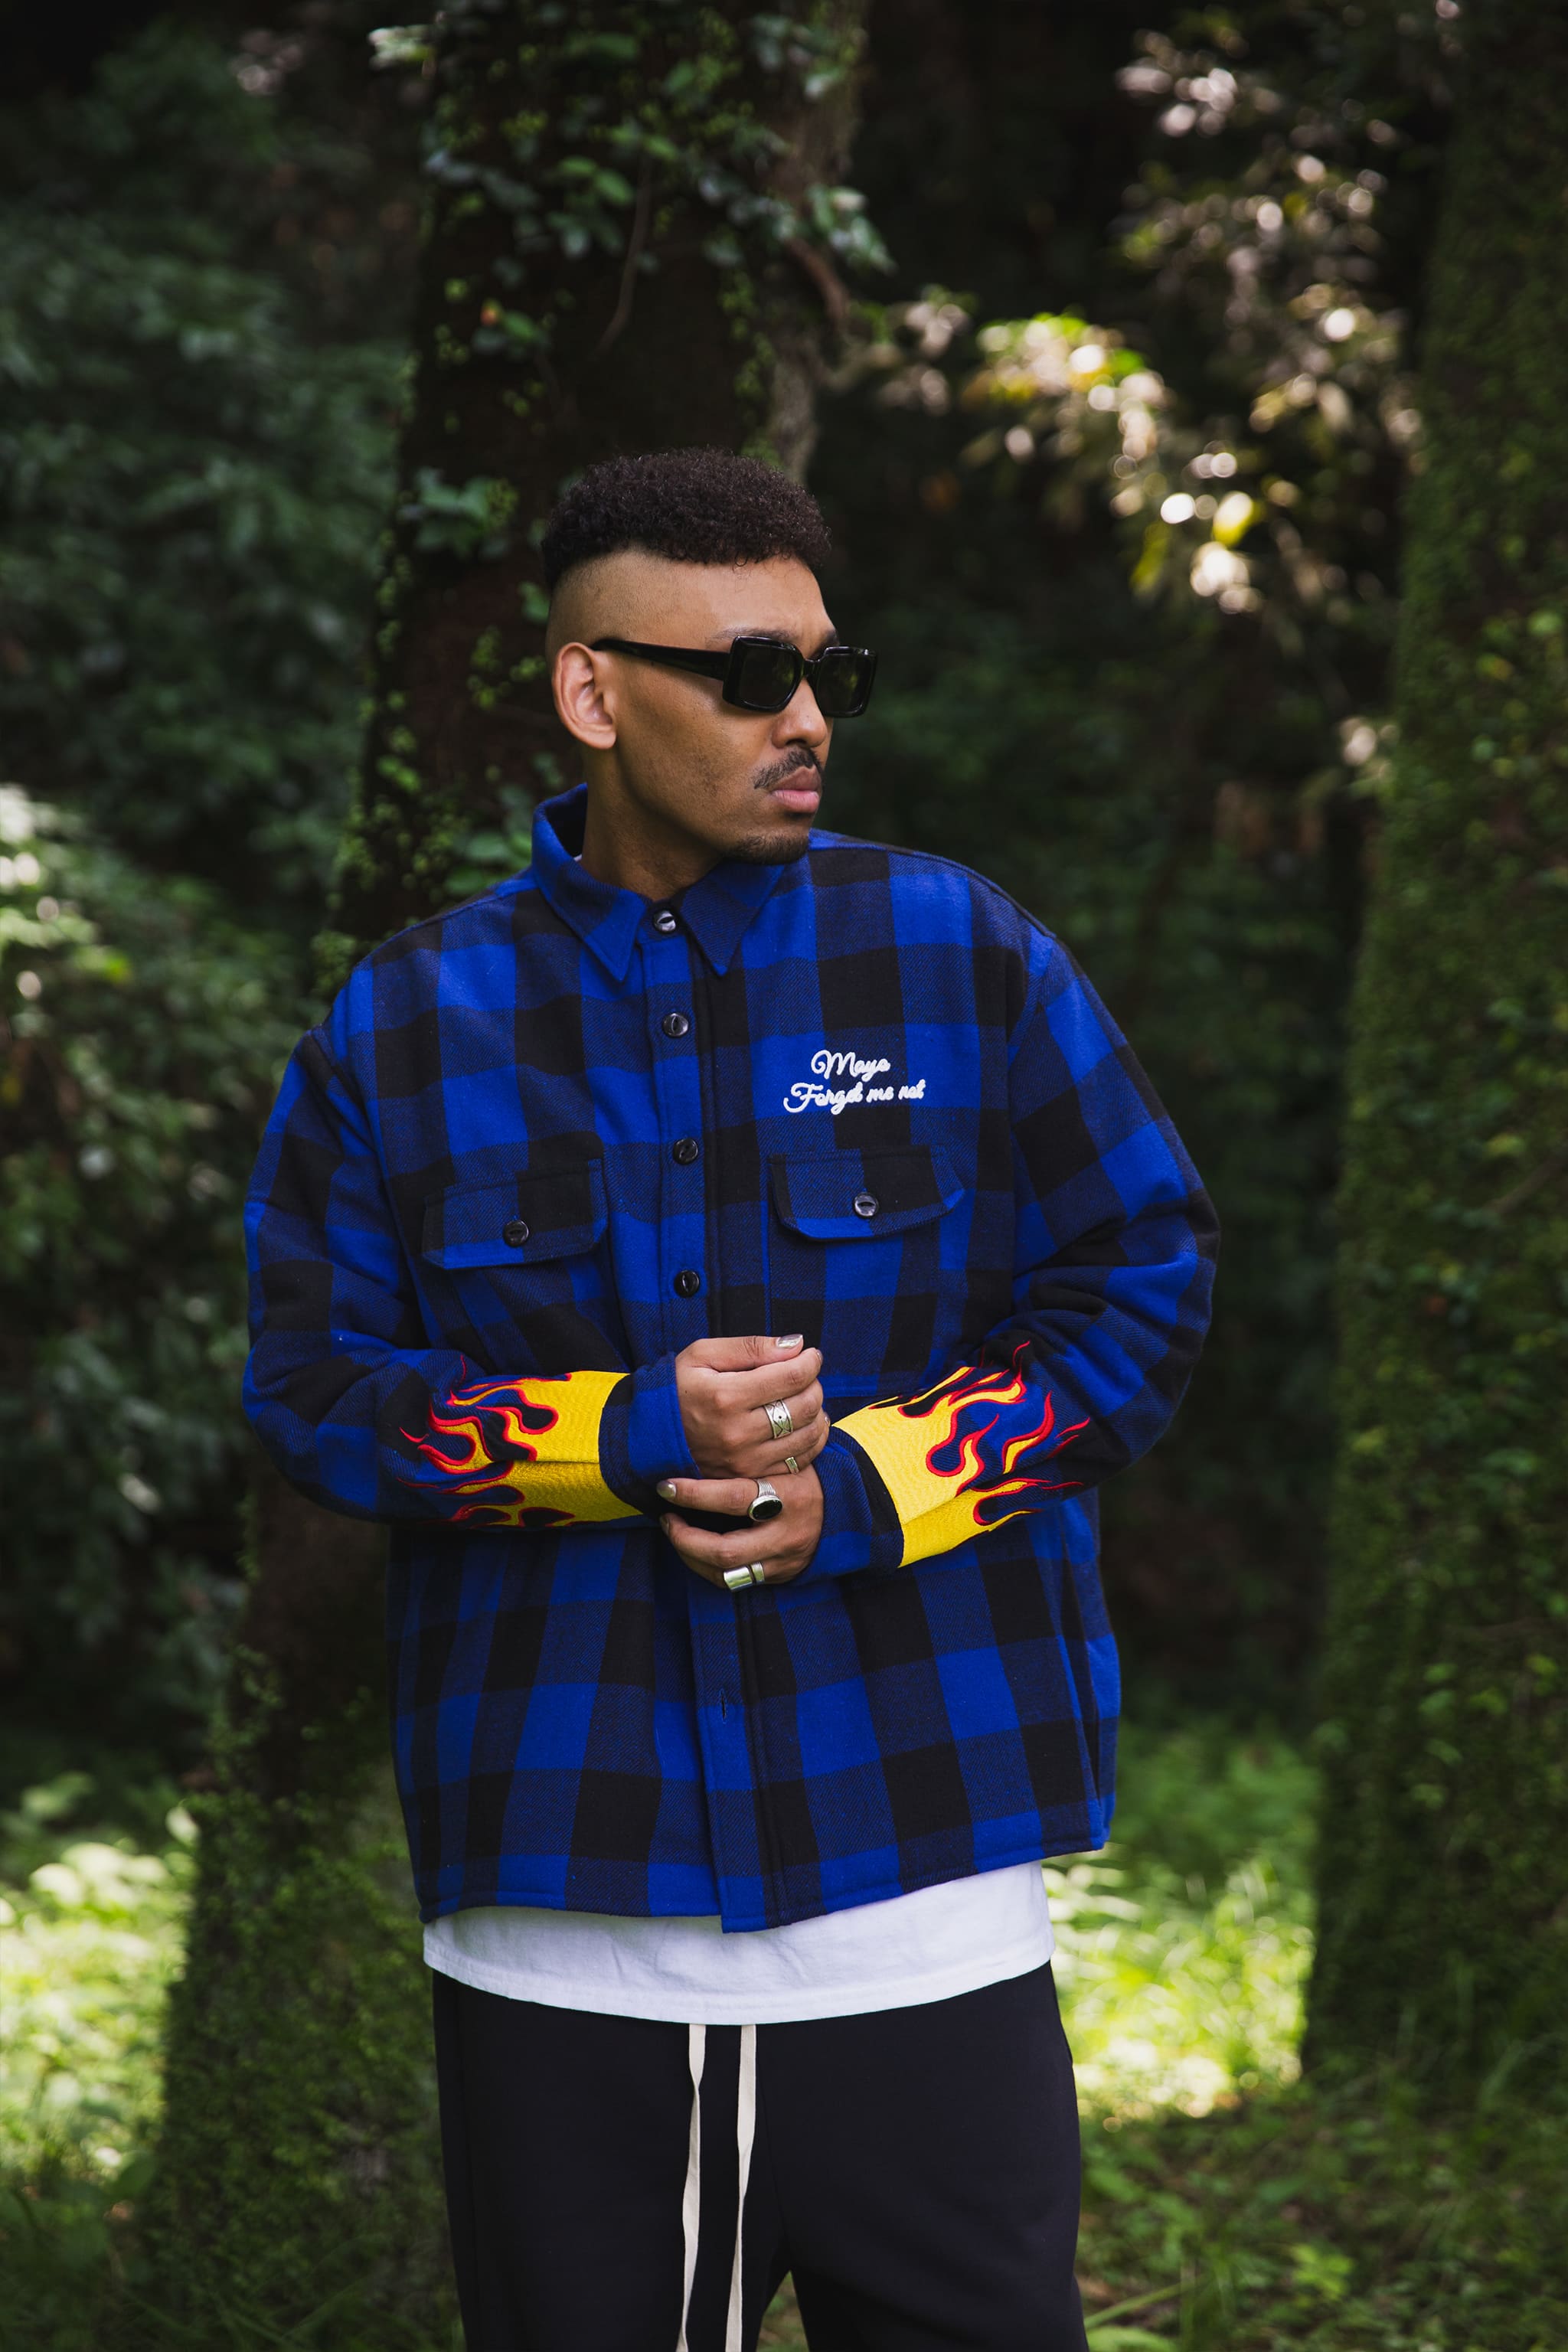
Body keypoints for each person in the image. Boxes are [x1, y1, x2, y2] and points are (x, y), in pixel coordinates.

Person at [243, 446, 1217, 2352]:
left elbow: (1143, 1285)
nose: (806, 721)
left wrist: (877, 1481)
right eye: (750, 675)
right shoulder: (405, 1021)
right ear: (591, 691)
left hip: (922, 1906)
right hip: (567, 1938)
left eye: (828, 673)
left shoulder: (961, 952)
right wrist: (617, 1439)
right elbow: (313, 1386)